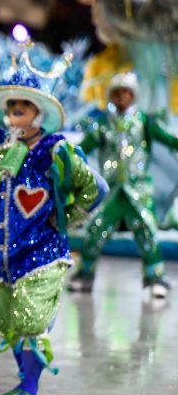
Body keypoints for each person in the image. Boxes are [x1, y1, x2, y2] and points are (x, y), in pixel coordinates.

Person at [0, 53, 106, 395]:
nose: (14, 117)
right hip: (0, 254)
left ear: (37, 114)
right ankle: (24, 380)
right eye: (11, 110)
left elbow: (96, 190)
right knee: (9, 323)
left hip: (41, 252)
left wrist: (65, 217)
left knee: (30, 320)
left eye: (22, 110)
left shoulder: (55, 152)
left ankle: (29, 387)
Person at [69, 72, 177, 297]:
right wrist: (66, 157)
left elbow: (168, 138)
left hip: (138, 191)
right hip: (111, 192)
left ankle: (155, 278)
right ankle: (85, 275)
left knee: (146, 230)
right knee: (95, 229)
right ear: (111, 96)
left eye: (125, 92)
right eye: (117, 92)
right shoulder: (103, 124)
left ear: (133, 96)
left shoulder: (144, 121)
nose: (121, 97)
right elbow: (84, 147)